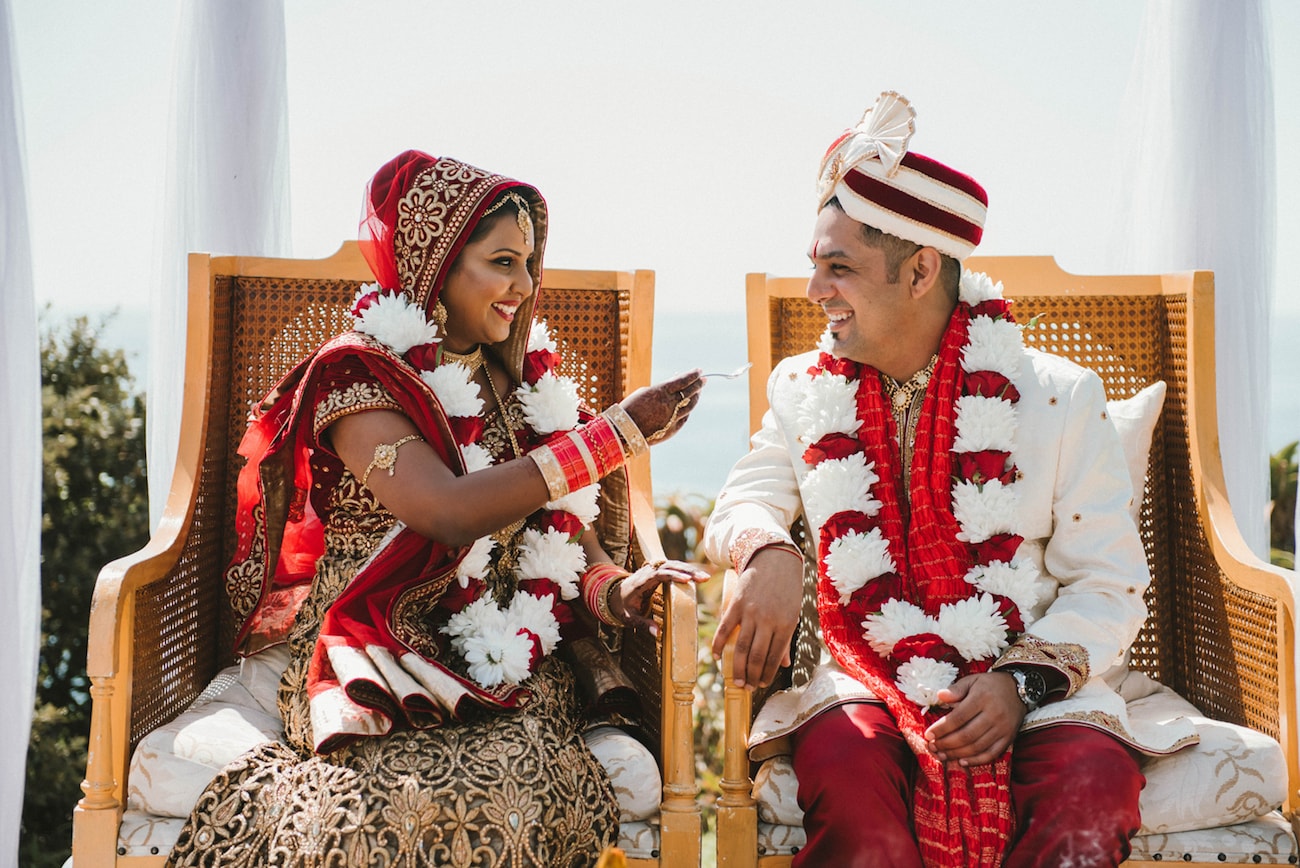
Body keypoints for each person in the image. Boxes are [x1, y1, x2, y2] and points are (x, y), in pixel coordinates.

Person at [166, 150, 707, 867]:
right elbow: (447, 512)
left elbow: (567, 536)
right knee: (366, 814)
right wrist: (618, 433)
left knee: (515, 789)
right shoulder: (355, 375)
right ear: (438, 266)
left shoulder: (520, 385)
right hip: (374, 648)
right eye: (503, 262)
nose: (525, 285)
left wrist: (617, 591)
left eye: (531, 263)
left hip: (509, 666)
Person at [702, 92, 1197, 867]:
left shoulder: (1059, 398)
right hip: (867, 681)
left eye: (840, 268)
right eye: (814, 266)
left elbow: (1109, 581)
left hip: (1037, 693)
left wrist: (1018, 685)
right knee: (853, 794)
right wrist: (767, 550)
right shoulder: (804, 388)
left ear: (921, 270)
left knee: (1087, 793)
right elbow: (748, 496)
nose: (814, 292)